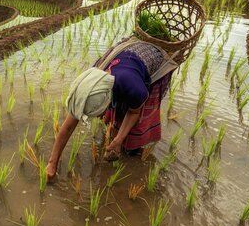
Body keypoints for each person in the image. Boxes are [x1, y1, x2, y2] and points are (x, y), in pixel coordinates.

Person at [46, 37, 178, 180]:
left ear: (108, 99)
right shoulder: (90, 85)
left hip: (153, 62)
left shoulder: (135, 88)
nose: (96, 117)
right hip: (124, 58)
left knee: (136, 124)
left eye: (97, 113)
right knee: (118, 113)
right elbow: (67, 128)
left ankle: (132, 147)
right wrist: (52, 163)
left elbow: (134, 112)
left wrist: (118, 140)